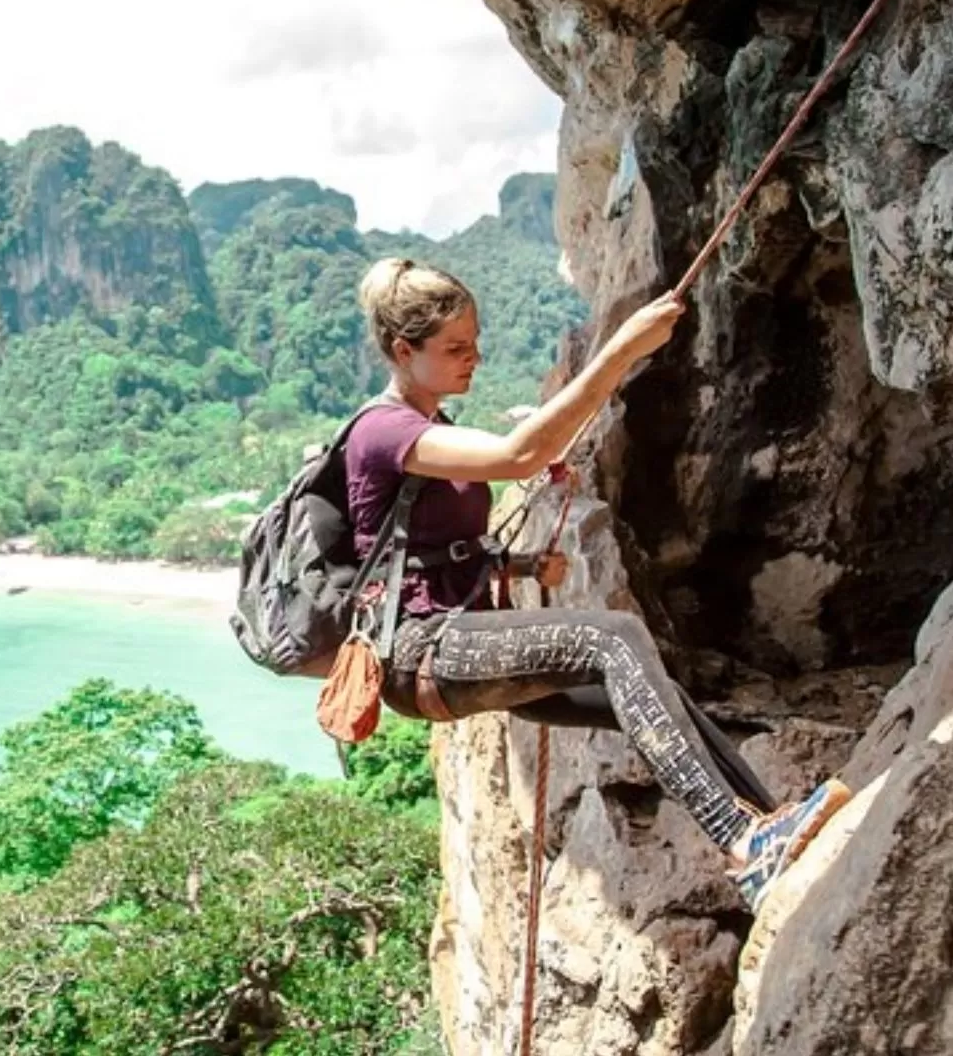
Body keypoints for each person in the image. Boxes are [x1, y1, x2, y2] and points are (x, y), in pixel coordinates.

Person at [345, 256, 849, 911]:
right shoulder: (382, 431)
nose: (475, 358)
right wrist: (620, 352)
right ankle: (742, 842)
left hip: (453, 642)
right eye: (456, 348)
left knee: (649, 691)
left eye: (475, 342)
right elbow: (514, 455)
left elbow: (438, 552)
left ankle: (761, 828)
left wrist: (521, 568)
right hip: (421, 653)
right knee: (612, 638)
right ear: (402, 351)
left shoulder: (434, 431)